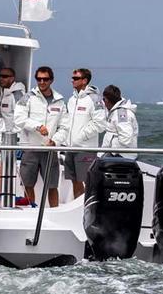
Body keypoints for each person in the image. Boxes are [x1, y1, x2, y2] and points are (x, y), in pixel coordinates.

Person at [14, 66, 65, 207]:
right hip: (31, 148)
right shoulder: (27, 97)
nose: (42, 82)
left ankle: (55, 214)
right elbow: (19, 118)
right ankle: (31, 211)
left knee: (52, 186)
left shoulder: (59, 101)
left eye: (45, 79)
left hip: (50, 149)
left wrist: (55, 141)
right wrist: (37, 126)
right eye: (39, 79)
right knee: (28, 184)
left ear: (51, 80)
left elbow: (64, 127)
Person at [52, 68, 107, 199]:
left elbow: (100, 124)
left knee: (86, 182)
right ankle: (78, 211)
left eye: (76, 78)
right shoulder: (71, 99)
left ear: (84, 81)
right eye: (72, 78)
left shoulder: (95, 99)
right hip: (70, 148)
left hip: (85, 148)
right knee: (74, 181)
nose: (72, 80)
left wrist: (80, 137)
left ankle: (87, 210)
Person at [102, 85, 138, 159]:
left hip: (120, 156)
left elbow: (126, 138)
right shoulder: (115, 112)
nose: (103, 102)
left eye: (103, 99)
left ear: (107, 100)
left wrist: (112, 152)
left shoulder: (121, 114)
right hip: (114, 154)